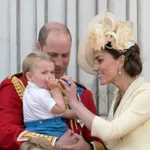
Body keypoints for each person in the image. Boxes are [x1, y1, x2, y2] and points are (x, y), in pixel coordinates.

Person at [0, 22, 106, 150]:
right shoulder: (14, 86)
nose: (59, 63)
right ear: (38, 48)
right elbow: (5, 132)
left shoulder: (82, 94)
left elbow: (100, 142)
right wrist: (53, 143)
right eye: (53, 55)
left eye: (65, 55)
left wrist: (87, 147)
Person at [59, 12, 150, 150]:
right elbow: (112, 143)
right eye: (94, 62)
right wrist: (88, 147)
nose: (95, 68)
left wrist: (74, 103)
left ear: (120, 61)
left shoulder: (146, 93)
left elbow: (110, 131)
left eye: (100, 60)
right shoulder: (119, 97)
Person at [22, 52, 76, 139]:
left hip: (33, 128)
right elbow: (60, 109)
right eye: (44, 73)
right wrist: (55, 90)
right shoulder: (41, 93)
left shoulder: (30, 90)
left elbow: (51, 111)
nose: (50, 76)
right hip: (47, 128)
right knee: (72, 138)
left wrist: (75, 113)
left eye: (52, 72)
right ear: (30, 76)